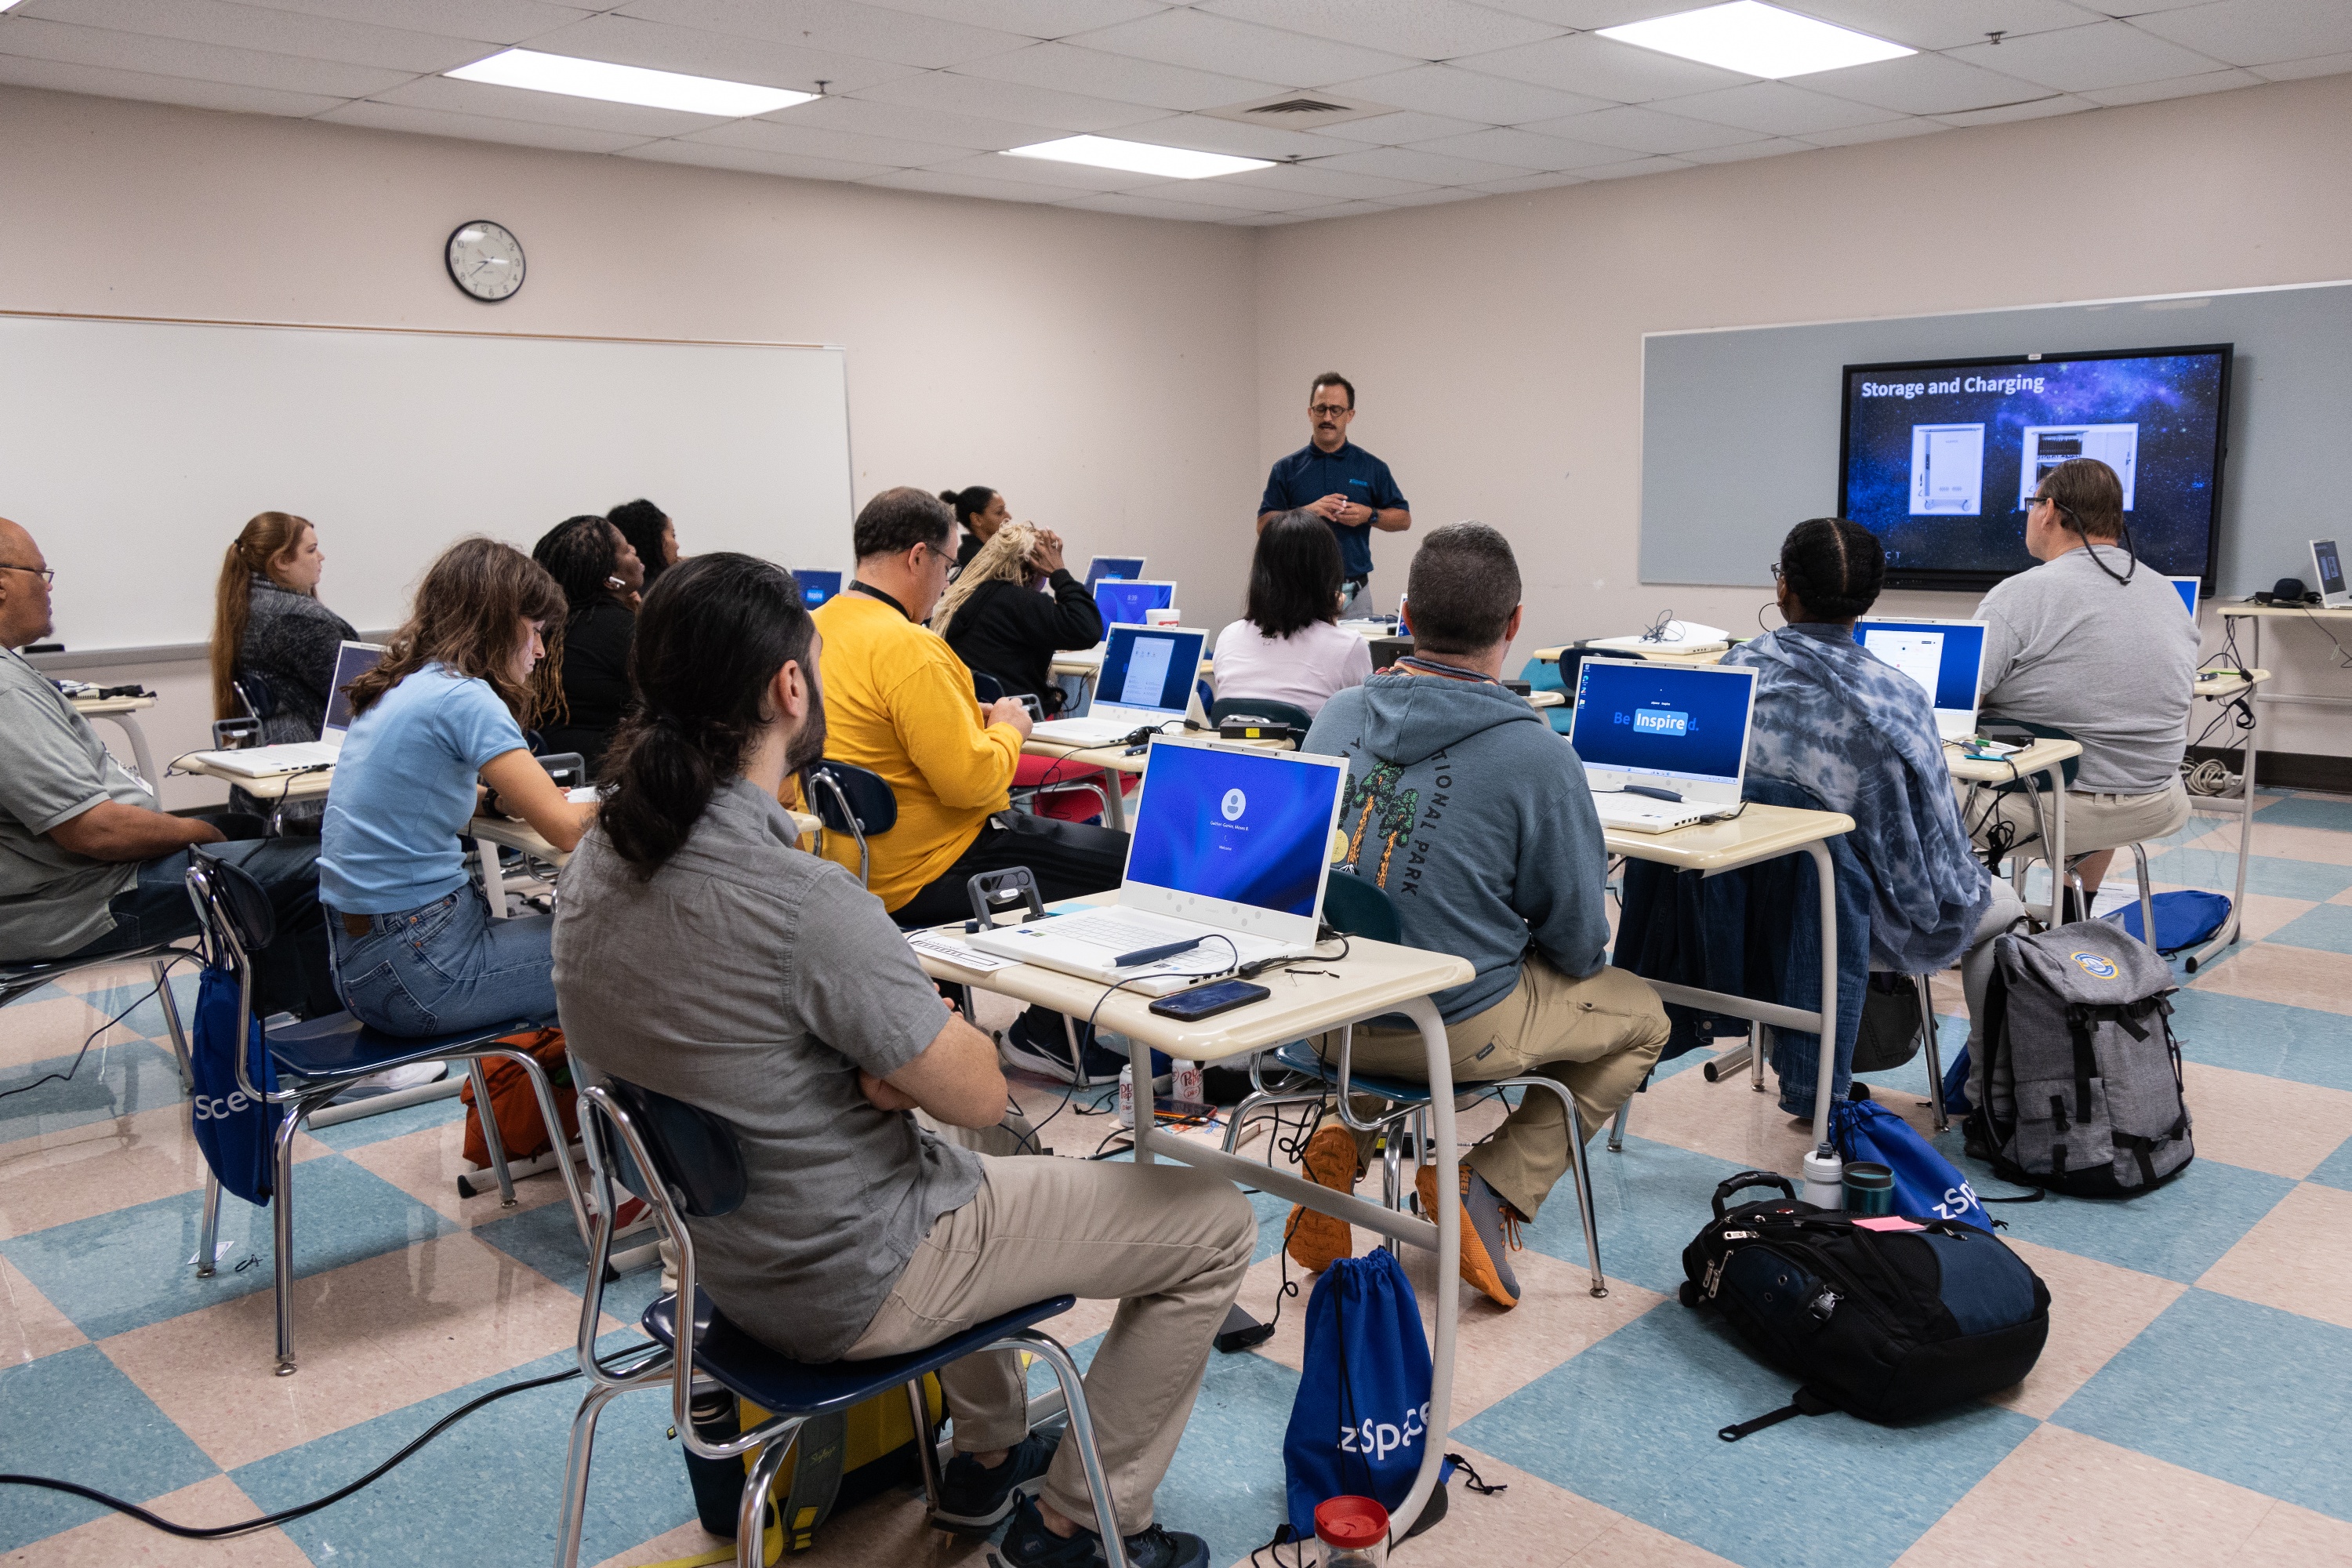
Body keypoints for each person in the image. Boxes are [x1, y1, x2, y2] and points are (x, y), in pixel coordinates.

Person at [553, 554, 1251, 1568]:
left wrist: (878, 1070)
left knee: (966, 1140)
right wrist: (900, 1055)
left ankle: (986, 1452)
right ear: (789, 688)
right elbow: (973, 1078)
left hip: (721, 1267)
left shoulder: (594, 868)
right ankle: (1075, 1527)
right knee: (1213, 1223)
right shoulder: (802, 901)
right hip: (853, 1276)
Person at [1299, 521, 1668, 1309]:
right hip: (1451, 1031)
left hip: (1326, 1017)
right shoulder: (1538, 755)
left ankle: (1342, 1129)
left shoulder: (1337, 716)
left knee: (1390, 946)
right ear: (1514, 626)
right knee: (1642, 1016)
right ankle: (1488, 1184)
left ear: (1402, 615)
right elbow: (1579, 941)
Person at [811, 488, 1131, 1081]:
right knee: (1135, 865)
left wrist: (963, 716)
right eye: (949, 563)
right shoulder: (910, 647)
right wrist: (1009, 727)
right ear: (917, 558)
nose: (947, 579)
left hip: (848, 868)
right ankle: (1049, 1033)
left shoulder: (813, 632)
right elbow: (978, 788)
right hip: (935, 864)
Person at [1725, 518, 2027, 1111]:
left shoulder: (1729, 676)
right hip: (1848, 918)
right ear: (1870, 597)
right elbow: (1927, 859)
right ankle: (1989, 1097)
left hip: (1739, 902)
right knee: (2007, 910)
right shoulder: (1897, 699)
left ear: (1783, 588)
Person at [0, 517, 335, 1018]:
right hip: (83, 900)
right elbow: (95, 832)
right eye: (41, 574)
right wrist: (198, 831)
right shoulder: (5, 691)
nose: (49, 589)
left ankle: (269, 1037)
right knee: (324, 865)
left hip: (69, 886)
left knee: (252, 831)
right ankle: (323, 1051)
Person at [319, 539, 594, 1036]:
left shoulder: (402, 684)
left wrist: (497, 800)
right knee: (622, 949)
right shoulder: (465, 697)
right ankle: (608, 1109)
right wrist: (631, 804)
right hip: (422, 968)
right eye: (534, 631)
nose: (539, 650)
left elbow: (420, 797)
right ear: (495, 623)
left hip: (360, 963)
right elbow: (568, 831)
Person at [1965, 458, 2199, 905]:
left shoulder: (2022, 594)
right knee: (2095, 747)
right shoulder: (2166, 592)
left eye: (2032, 505)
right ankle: (2075, 914)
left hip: (2054, 806)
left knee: (1902, 786)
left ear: (2049, 509)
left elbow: (1956, 703)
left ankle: (1953, 926)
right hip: (2156, 800)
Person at [209, 510, 358, 829]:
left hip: (275, 752)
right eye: (310, 550)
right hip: (310, 783)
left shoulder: (247, 603)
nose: (321, 556)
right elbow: (357, 696)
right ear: (281, 561)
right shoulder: (296, 619)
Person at [1258, 373, 1409, 615]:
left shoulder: (1372, 467)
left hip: (1355, 593)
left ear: (1350, 415)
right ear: (1310, 413)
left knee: (1358, 653)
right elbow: (1263, 526)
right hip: (1298, 593)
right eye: (1321, 409)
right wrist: (1307, 513)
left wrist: (1370, 515)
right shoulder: (1286, 469)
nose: (1327, 417)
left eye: (1336, 410)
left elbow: (1403, 519)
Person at [1214, 510, 1373, 720]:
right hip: (1308, 752)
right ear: (1327, 572)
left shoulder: (1229, 636)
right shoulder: (1349, 647)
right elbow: (1360, 725)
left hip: (1238, 754)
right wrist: (1330, 620)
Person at [932, 520, 1102, 714]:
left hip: (976, 717)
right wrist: (1059, 573)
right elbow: (1087, 628)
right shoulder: (1020, 603)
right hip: (1021, 721)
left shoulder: (963, 598)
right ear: (1034, 568)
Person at [532, 514, 646, 774]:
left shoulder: (544, 626)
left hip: (543, 771)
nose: (635, 551)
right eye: (626, 549)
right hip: (605, 776)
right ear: (610, 581)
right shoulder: (621, 629)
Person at [607, 499, 678, 592]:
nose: (677, 545)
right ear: (656, 540)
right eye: (673, 535)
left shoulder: (614, 590)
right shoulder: (669, 593)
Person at [942, 485, 1007, 572]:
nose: (1008, 517)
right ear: (976, 519)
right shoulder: (981, 559)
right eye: (999, 513)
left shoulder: (967, 554)